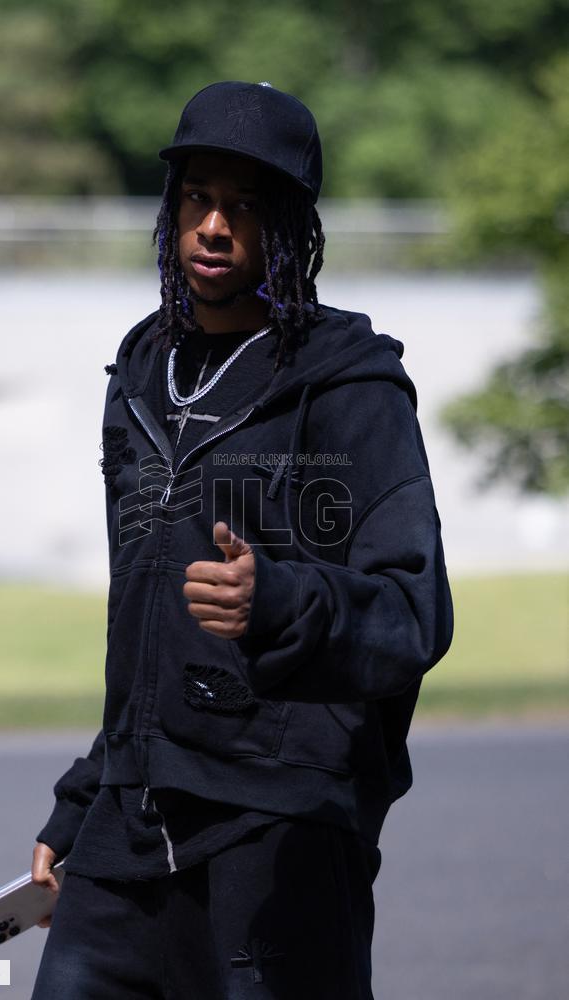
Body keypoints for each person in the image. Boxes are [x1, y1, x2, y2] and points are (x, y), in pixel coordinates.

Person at [30, 80, 454, 999]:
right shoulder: (142, 374)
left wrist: (280, 602)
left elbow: (412, 613)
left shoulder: (346, 386)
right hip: (129, 826)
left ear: (293, 230)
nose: (215, 226)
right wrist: (81, 802)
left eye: (246, 206)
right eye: (198, 198)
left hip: (280, 828)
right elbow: (140, 628)